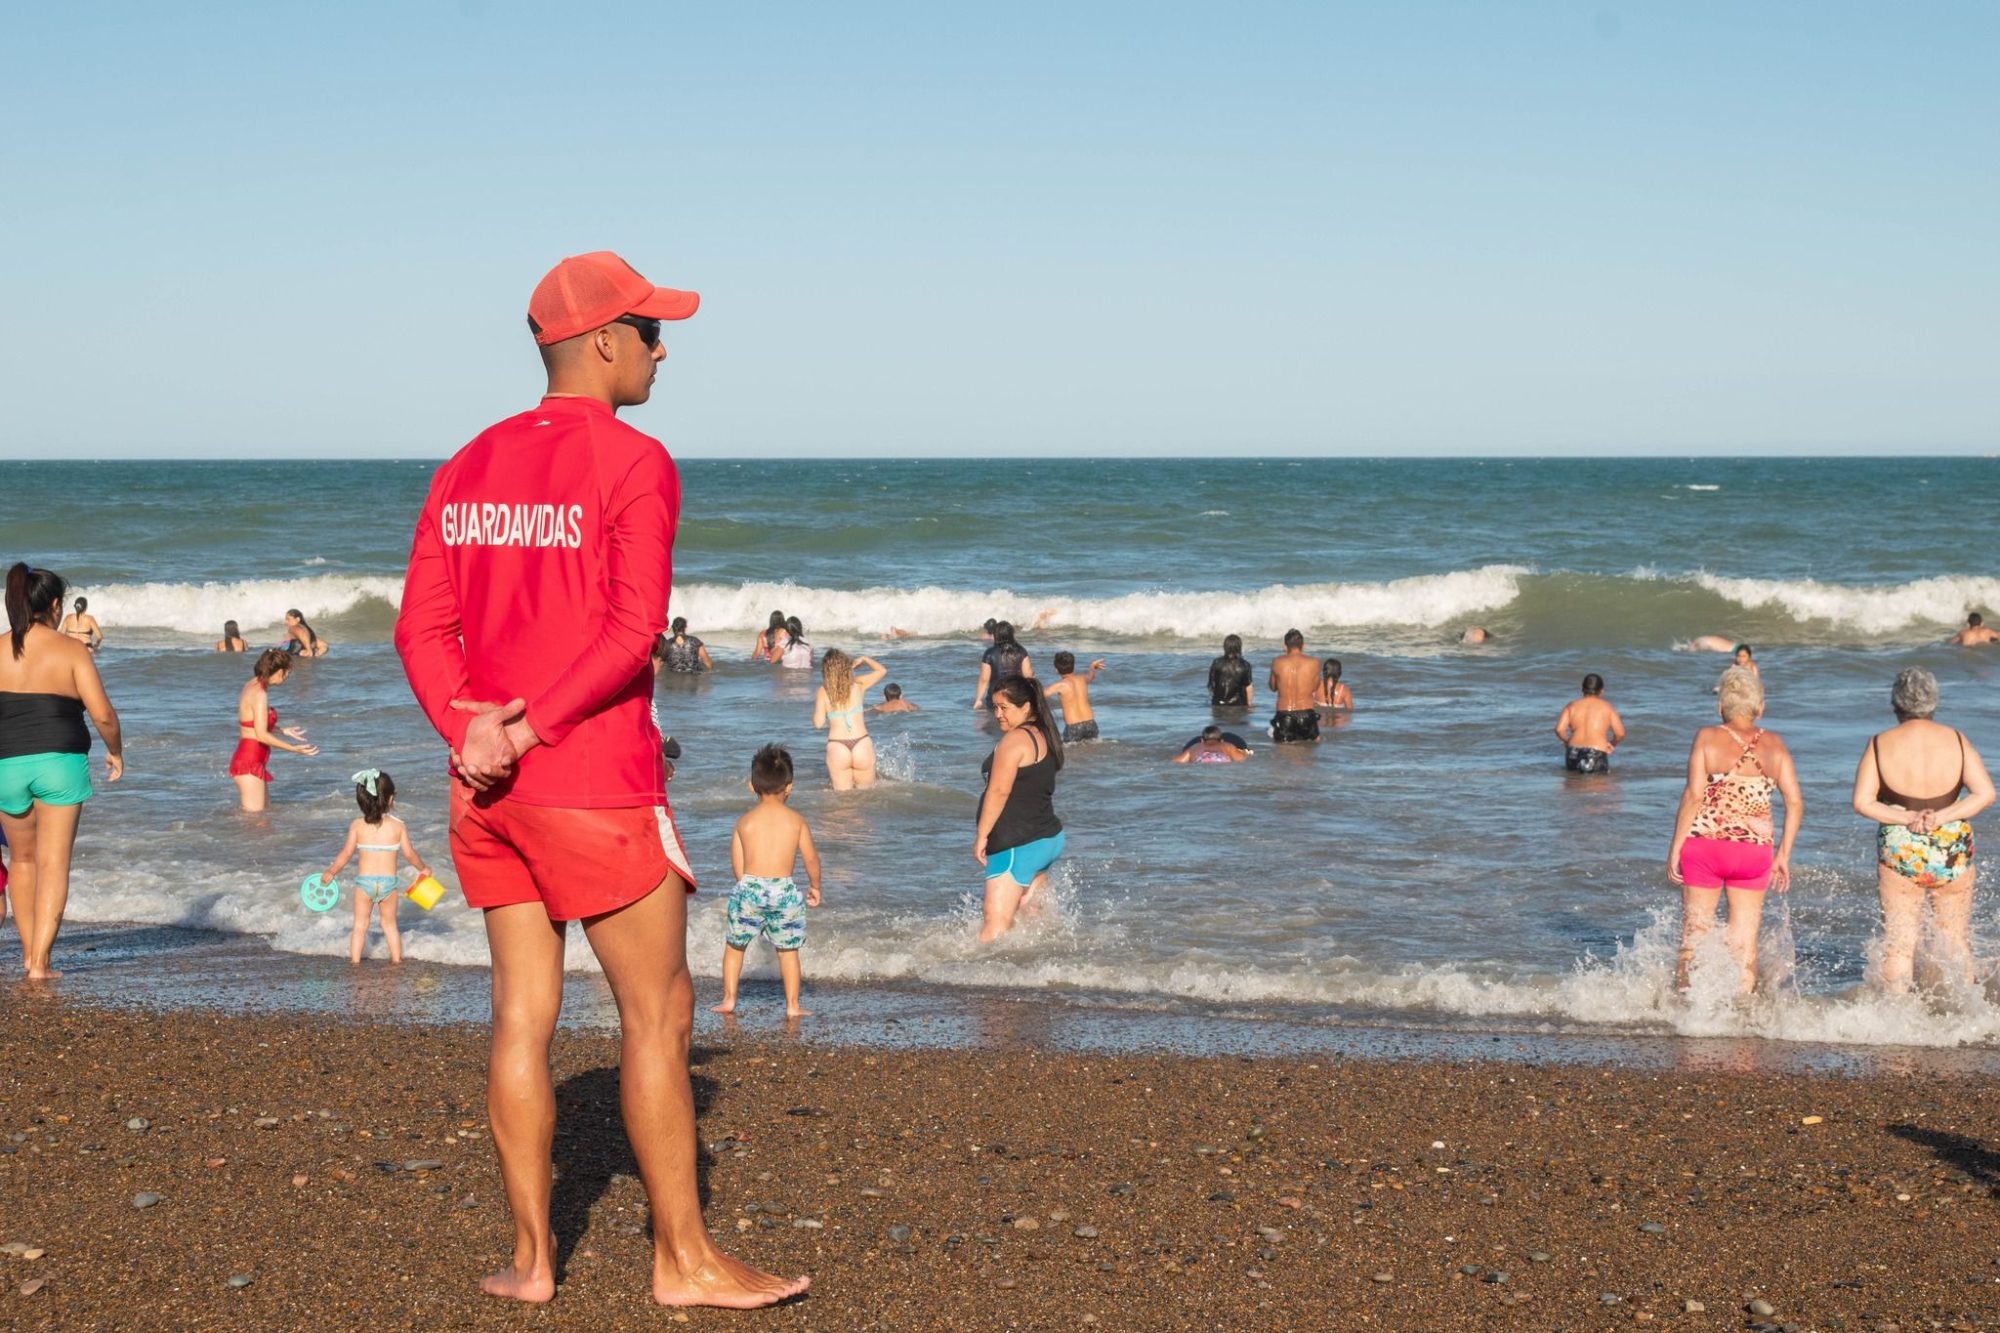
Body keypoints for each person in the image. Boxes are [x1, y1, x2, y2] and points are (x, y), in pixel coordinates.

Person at [393, 250, 804, 1308]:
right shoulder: (634, 459)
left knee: (520, 1016)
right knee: (658, 1015)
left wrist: (471, 730)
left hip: (483, 786)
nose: (664, 352)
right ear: (606, 343)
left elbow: (420, 629)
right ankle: (684, 1262)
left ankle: (532, 1262)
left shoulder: (466, 462)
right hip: (589, 782)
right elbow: (629, 635)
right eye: (654, 333)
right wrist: (530, 731)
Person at [0, 563, 123, 979]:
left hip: (5, 765)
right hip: (59, 764)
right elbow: (103, 713)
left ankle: (26, 955)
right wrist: (115, 751)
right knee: (54, 863)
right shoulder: (72, 650)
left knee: (22, 860)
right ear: (55, 607)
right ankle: (40, 963)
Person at [1850, 667, 1995, 995]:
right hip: (1951, 848)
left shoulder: (1879, 744)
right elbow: (1985, 793)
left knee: (1900, 944)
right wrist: (1942, 815)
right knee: (1956, 939)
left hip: (1901, 848)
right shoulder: (1957, 739)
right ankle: (1965, 1013)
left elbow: (1862, 802)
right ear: (1933, 702)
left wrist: (1907, 818)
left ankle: (1899, 1019)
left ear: (1895, 703)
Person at [1666, 667, 1803, 994]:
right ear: (1760, 708)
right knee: (1744, 944)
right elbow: (1795, 802)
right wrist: (1783, 854)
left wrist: (1675, 849)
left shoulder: (1706, 737)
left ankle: (1688, 1012)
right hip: (1754, 852)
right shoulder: (1776, 745)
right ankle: (1741, 1016)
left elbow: (1693, 795)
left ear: (1719, 709)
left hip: (1705, 848)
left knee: (1694, 936)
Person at [711, 745, 822, 1017]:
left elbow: (737, 864)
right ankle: (793, 1006)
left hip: (750, 888)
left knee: (736, 947)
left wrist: (747, 888)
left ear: (752, 786)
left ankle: (729, 1000)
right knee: (788, 951)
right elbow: (810, 858)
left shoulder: (744, 822)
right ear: (789, 787)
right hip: (783, 890)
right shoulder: (796, 821)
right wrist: (815, 886)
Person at [974, 677, 1065, 941]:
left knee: (994, 925)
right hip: (1046, 839)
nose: (998, 714)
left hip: (1017, 843)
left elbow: (998, 791)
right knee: (1031, 921)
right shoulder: (1044, 733)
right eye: (995, 707)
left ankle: (980, 978)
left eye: (1004, 708)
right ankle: (1031, 977)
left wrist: (982, 835)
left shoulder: (1014, 740)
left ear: (1026, 707)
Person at [319, 768, 433, 966]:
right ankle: (396, 961)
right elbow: (409, 854)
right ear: (390, 800)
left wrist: (331, 872)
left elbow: (346, 854)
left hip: (364, 884)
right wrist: (423, 868)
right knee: (389, 925)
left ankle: (354, 963)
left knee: (360, 925)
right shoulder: (398, 826)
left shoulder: (357, 825)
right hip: (389, 884)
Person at [230, 648, 317, 811]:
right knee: (255, 821)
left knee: (263, 816)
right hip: (249, 762)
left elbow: (252, 723)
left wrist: (282, 730)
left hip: (253, 759)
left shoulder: (253, 684)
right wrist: (294, 749)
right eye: (286, 672)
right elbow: (261, 735)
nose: (287, 677)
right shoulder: (259, 693)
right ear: (277, 671)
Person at [812, 649, 886, 790]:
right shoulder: (858, 684)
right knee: (867, 796)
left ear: (826, 671)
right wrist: (864, 659)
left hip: (837, 746)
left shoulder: (823, 691)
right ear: (847, 666)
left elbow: (818, 723)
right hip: (861, 743)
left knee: (842, 802)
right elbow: (882, 671)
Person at [1555, 673, 1626, 773]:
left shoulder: (1571, 706)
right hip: (1596, 753)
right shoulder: (1607, 707)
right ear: (1601, 691)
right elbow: (1620, 733)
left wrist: (1567, 741)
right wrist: (1612, 744)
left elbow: (1559, 730)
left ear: (1582, 689)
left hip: (1573, 752)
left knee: (1573, 785)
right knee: (1599, 786)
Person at [1267, 629, 1321, 742]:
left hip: (1285, 714)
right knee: (1309, 753)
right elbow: (1315, 687)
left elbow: (1273, 687)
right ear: (1303, 645)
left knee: (1284, 754)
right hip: (1307, 713)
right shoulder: (1314, 662)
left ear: (1285, 646)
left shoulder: (1277, 662)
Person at [1044, 651, 1105, 743]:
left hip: (1073, 727)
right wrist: (1092, 666)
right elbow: (1091, 676)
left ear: (1056, 670)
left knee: (1071, 753)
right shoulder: (1082, 679)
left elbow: (1041, 694)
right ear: (1073, 667)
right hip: (1090, 723)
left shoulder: (1059, 685)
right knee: (1091, 750)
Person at [973, 620, 1033, 711]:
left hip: (995, 697)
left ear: (996, 635)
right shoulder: (1021, 651)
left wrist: (978, 700)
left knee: (995, 721)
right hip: (1016, 696)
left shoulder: (989, 653)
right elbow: (1028, 675)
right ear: (1011, 634)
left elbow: (984, 679)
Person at [1207, 634, 1254, 709]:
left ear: (1225, 647)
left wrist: (1215, 699)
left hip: (1218, 704)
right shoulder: (1245, 665)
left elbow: (1211, 686)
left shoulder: (1216, 662)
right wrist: (1249, 706)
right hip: (1238, 705)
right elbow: (1249, 687)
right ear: (1239, 647)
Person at [1175, 726, 1251, 764]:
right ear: (1222, 740)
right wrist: (1245, 754)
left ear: (1201, 740)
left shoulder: (1194, 747)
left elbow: (1178, 761)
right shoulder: (1227, 746)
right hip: (1220, 758)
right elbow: (1241, 759)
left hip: (1201, 759)